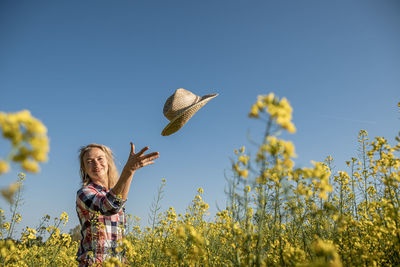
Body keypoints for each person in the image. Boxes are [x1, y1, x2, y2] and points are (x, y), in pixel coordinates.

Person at [76, 142, 159, 266]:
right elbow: (107, 207)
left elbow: (117, 203)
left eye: (100, 159)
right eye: (89, 161)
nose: (96, 164)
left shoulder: (112, 194)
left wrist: (131, 171)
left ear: (108, 162)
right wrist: (128, 171)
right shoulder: (84, 193)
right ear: (84, 169)